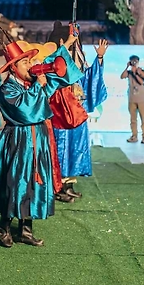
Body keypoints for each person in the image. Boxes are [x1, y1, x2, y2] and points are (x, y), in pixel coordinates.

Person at [0, 28, 82, 248]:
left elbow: (56, 77)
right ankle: (4, 226)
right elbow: (23, 110)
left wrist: (65, 47)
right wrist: (38, 87)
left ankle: (26, 230)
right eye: (25, 63)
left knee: (34, 184)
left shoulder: (32, 83)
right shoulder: (7, 89)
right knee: (16, 184)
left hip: (37, 140)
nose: (30, 65)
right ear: (14, 67)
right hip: (18, 141)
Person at [53, 38, 108, 199]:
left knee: (76, 150)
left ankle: (69, 185)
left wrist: (99, 57)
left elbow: (93, 78)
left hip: (78, 119)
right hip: (62, 120)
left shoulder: (80, 76)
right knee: (62, 151)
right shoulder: (57, 74)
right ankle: (58, 187)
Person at [121, 55, 144, 143]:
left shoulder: (141, 71)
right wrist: (127, 67)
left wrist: (135, 73)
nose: (134, 63)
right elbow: (122, 76)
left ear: (138, 62)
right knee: (133, 119)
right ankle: (134, 136)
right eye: (132, 61)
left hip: (141, 99)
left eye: (135, 61)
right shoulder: (129, 72)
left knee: (143, 118)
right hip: (132, 99)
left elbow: (142, 82)